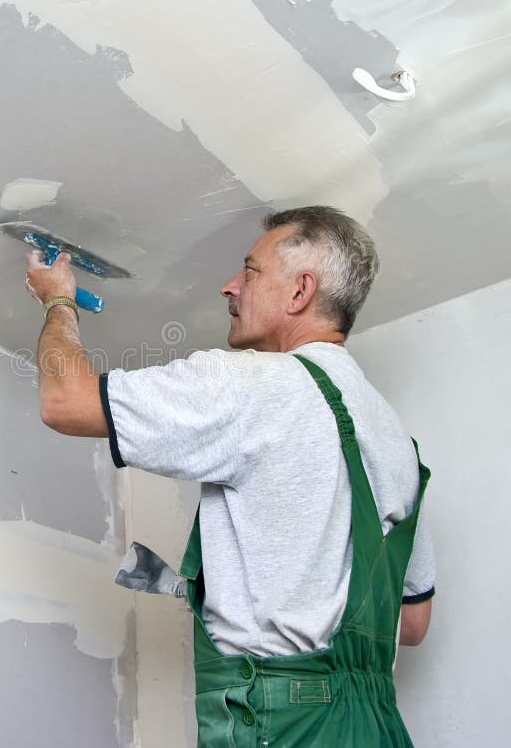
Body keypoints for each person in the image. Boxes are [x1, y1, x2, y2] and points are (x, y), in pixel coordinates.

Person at [24, 205, 435, 747]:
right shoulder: (396, 444)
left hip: (281, 727)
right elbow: (411, 625)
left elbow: (64, 402)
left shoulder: (255, 386)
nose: (229, 286)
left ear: (300, 292)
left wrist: (57, 299)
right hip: (377, 726)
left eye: (251, 271)